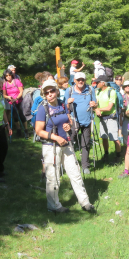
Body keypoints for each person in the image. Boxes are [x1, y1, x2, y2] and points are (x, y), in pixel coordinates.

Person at [35, 80, 95, 213]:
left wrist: (69, 126)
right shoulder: (42, 108)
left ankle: (85, 202)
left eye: (52, 91)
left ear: (56, 91)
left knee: (75, 173)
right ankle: (54, 206)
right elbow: (39, 130)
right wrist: (55, 137)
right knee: (53, 177)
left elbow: (68, 120)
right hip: (51, 146)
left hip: (66, 143)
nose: (50, 94)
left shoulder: (62, 104)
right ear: (44, 94)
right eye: (47, 92)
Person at [64, 72, 98, 174]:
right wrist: (68, 103)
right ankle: (69, 163)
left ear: (85, 79)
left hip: (87, 120)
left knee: (86, 143)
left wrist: (94, 105)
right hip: (74, 120)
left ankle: (85, 166)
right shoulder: (69, 90)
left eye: (82, 79)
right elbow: (65, 107)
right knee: (69, 141)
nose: (80, 81)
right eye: (78, 79)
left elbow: (95, 104)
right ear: (74, 80)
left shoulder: (90, 89)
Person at [94, 75, 122, 164]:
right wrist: (95, 109)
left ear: (103, 83)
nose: (96, 84)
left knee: (114, 138)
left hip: (111, 117)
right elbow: (95, 104)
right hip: (102, 118)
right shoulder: (97, 92)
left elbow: (109, 107)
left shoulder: (111, 91)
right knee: (104, 137)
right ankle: (106, 155)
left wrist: (99, 109)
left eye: (98, 82)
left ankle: (118, 157)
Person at [2, 69, 28, 137]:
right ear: (5, 77)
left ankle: (26, 130)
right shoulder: (5, 84)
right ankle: (18, 130)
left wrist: (16, 98)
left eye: (9, 75)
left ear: (12, 75)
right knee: (15, 117)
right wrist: (8, 97)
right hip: (11, 102)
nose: (8, 77)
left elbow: (21, 91)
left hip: (19, 101)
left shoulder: (17, 81)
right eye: (6, 76)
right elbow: (4, 95)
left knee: (22, 115)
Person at [120, 81, 129, 145]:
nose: (127, 87)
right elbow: (120, 108)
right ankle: (127, 147)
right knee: (125, 132)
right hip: (125, 117)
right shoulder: (122, 97)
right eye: (125, 86)